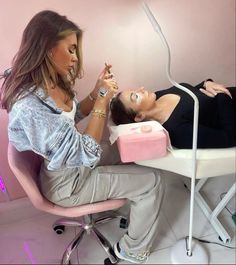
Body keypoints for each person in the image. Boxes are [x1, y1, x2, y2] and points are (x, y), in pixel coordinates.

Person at [0, 10, 164, 264]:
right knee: (153, 181)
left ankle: (129, 201)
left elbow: (73, 115)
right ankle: (132, 250)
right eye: (71, 49)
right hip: (68, 185)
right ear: (47, 49)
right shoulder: (29, 106)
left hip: (68, 165)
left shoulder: (48, 81)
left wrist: (97, 91)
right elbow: (86, 152)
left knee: (126, 148)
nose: (75, 59)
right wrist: (102, 98)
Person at [110, 80, 236, 149]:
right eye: (136, 96)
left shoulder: (158, 95)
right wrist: (221, 97)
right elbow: (229, 137)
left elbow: (192, 92)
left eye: (136, 90)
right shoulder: (177, 130)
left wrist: (206, 84)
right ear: (139, 116)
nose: (142, 88)